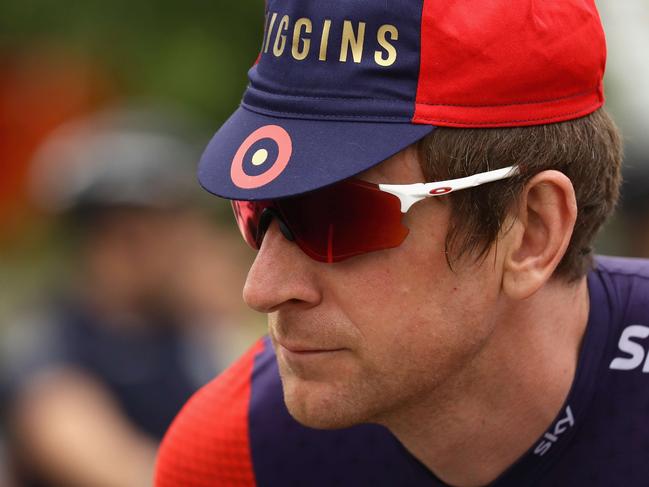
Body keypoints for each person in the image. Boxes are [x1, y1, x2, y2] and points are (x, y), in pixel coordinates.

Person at [155, 1, 648, 486]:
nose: (261, 289)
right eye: (257, 211)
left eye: (338, 217)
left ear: (531, 235)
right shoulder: (234, 454)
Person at [2, 107, 234, 487]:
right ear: (122, 238)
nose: (194, 246)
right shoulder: (51, 348)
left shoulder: (185, 338)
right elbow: (115, 466)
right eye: (177, 229)